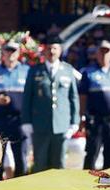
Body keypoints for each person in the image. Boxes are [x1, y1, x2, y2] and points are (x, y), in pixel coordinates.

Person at [21, 35, 80, 171]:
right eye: (48, 48)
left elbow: (73, 97)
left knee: (59, 164)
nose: (51, 51)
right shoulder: (35, 70)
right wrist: (26, 122)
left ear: (60, 50)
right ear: (44, 51)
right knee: (40, 165)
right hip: (40, 125)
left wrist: (74, 122)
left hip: (61, 125)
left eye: (54, 48)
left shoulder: (68, 70)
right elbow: (27, 97)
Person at [79, 39, 110, 170]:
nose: (104, 54)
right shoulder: (88, 72)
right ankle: (86, 185)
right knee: (92, 154)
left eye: (107, 51)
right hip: (95, 121)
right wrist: (81, 119)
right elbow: (83, 98)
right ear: (96, 53)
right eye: (101, 51)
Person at [0, 40, 29, 178]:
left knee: (20, 157)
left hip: (19, 121)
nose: (10, 54)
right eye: (7, 50)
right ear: (2, 53)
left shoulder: (27, 70)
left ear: (19, 53)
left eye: (13, 50)